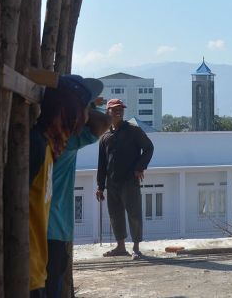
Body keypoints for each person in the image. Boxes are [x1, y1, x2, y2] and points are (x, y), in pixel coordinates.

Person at [30, 75, 102, 297]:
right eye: (83, 111)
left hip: (36, 264)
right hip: (30, 264)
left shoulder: (51, 147)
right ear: (70, 114)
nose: (87, 117)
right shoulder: (38, 147)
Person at [45, 78, 111, 297]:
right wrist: (88, 107)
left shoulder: (43, 137)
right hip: (53, 231)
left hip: (40, 228)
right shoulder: (65, 141)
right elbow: (104, 121)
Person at [97, 99, 154, 259]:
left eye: (120, 109)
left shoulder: (133, 130)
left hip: (129, 181)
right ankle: (120, 247)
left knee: (134, 214)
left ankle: (136, 248)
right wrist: (100, 186)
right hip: (112, 182)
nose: (118, 112)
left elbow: (149, 148)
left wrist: (139, 167)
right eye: (114, 109)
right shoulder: (105, 136)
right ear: (107, 112)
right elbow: (101, 163)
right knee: (115, 215)